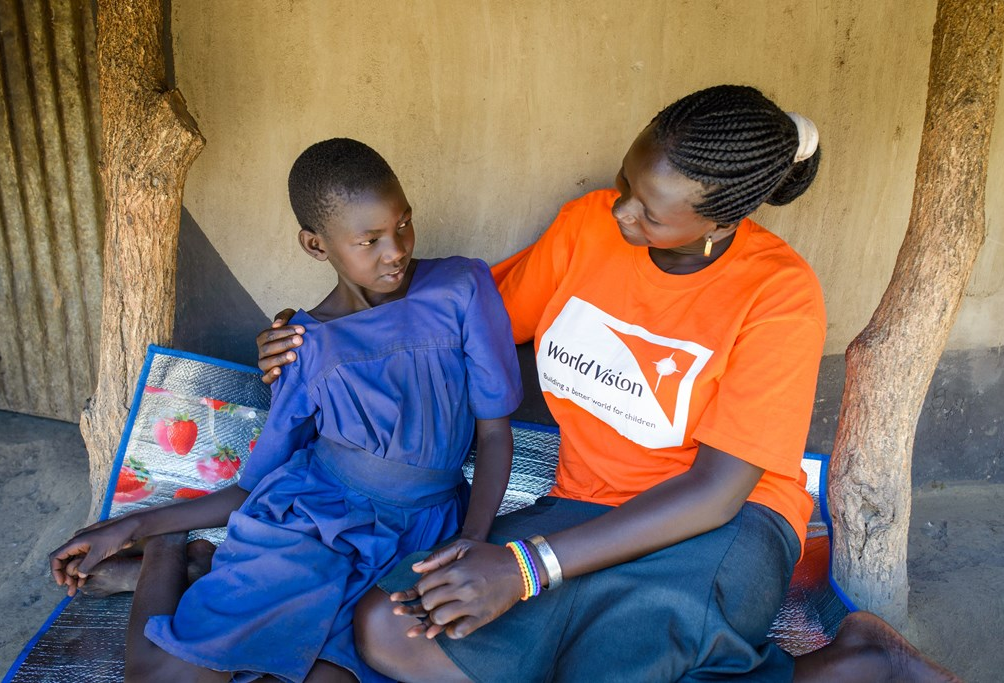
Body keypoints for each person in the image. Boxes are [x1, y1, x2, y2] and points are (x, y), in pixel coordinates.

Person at [257, 86, 960, 682]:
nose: (620, 212)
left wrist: (524, 569)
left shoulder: (778, 293)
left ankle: (850, 663)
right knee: (391, 623)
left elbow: (715, 492)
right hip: (583, 508)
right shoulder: (587, 228)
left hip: (719, 528)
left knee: (611, 655)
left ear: (720, 220)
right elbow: (453, 322)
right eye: (625, 185)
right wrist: (315, 329)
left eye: (647, 211)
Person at [49, 138, 524, 683]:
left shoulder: (462, 287)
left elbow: (493, 435)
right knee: (161, 680)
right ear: (316, 245)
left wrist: (473, 538)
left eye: (403, 225)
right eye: (369, 240)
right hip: (312, 523)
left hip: (421, 533)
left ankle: (207, 570)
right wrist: (131, 525)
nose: (395, 250)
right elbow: (254, 486)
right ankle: (168, 553)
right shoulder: (301, 346)